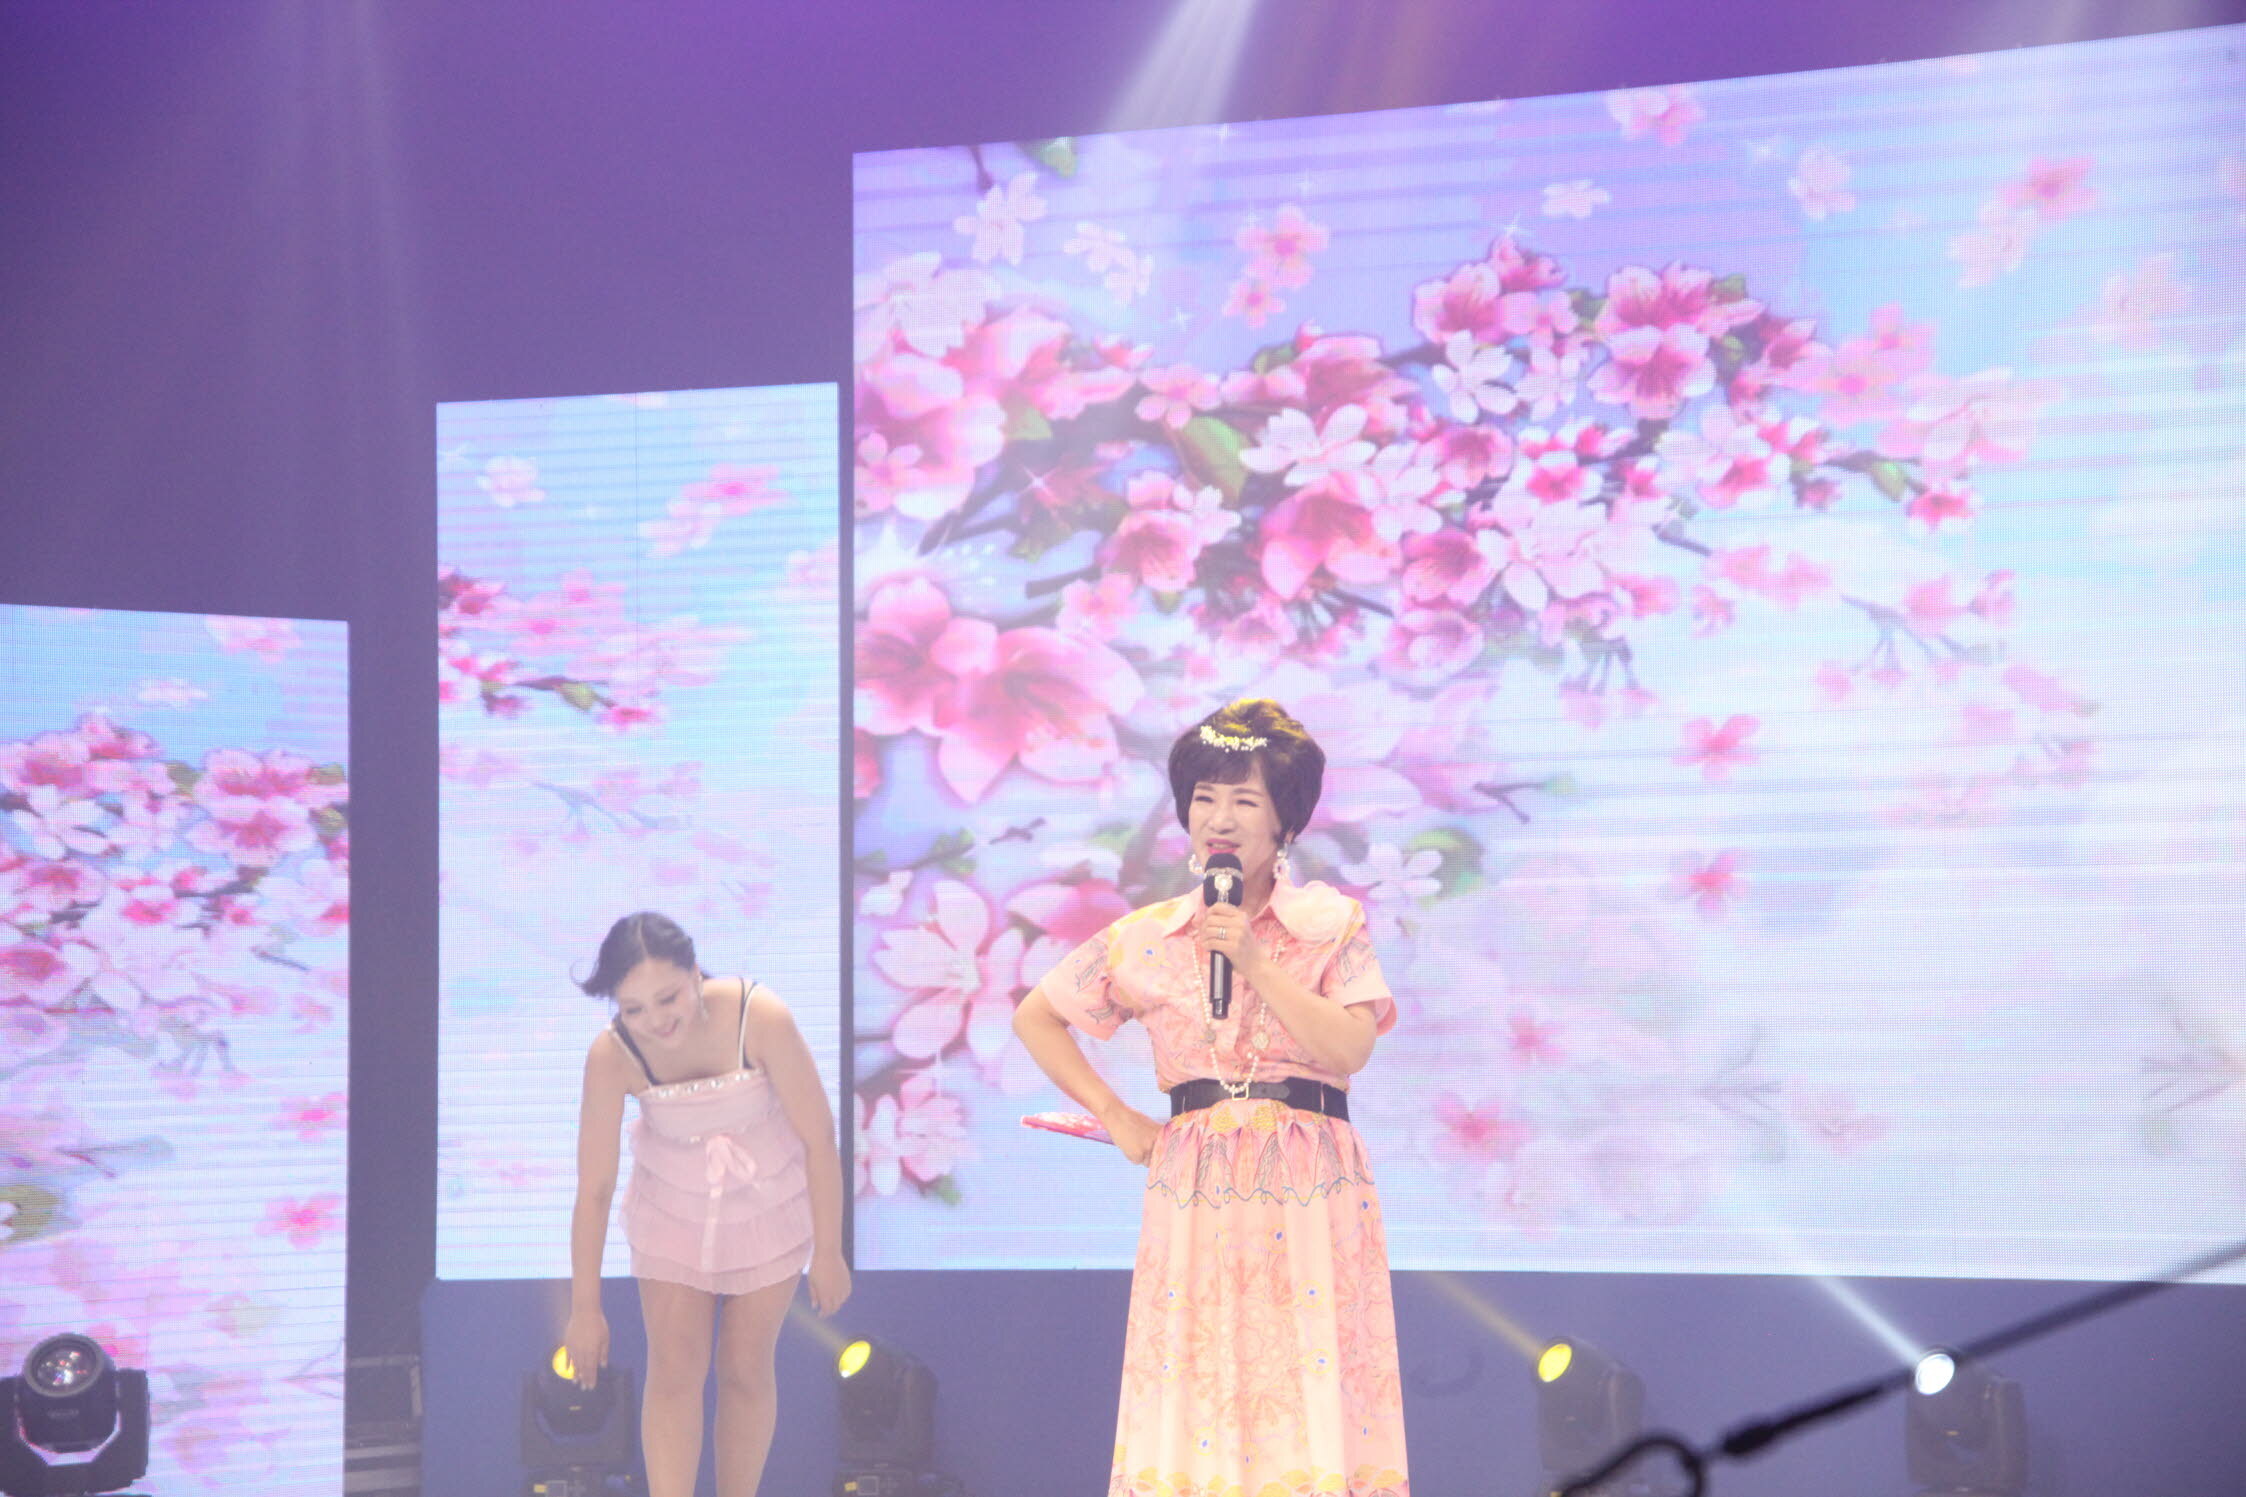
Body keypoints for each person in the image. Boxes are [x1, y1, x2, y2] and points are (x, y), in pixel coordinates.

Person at [1012, 699, 1410, 1497]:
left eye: (1244, 799)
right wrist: (1118, 1114)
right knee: (1198, 1377)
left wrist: (1256, 962)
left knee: (1306, 1374)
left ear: (1284, 820)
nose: (1220, 817)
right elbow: (1038, 1015)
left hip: (1308, 1181)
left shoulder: (1329, 922)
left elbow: (1351, 1047)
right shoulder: (1147, 935)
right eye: (1205, 797)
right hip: (1194, 1184)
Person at [563, 911, 851, 1497]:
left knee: (746, 1368)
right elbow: (593, 1189)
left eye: (668, 998)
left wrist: (829, 1250)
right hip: (672, 1213)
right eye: (633, 1009)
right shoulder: (612, 1055)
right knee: (674, 1369)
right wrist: (584, 1308)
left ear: (695, 973)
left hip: (769, 1207)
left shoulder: (759, 1015)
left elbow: (819, 1137)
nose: (655, 1020)